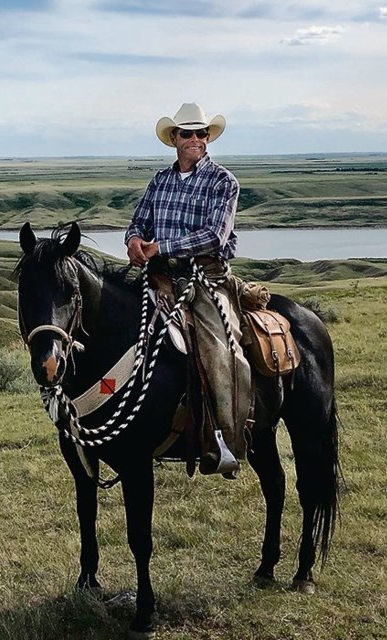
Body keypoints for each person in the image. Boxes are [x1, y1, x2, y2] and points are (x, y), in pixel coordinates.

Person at [124, 102, 253, 478]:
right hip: (160, 276)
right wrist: (134, 241)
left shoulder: (223, 182)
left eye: (201, 133)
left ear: (208, 138)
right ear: (174, 139)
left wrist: (161, 247)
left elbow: (215, 235)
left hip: (204, 279)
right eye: (187, 133)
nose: (194, 139)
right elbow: (138, 222)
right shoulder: (159, 181)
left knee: (217, 349)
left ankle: (225, 439)